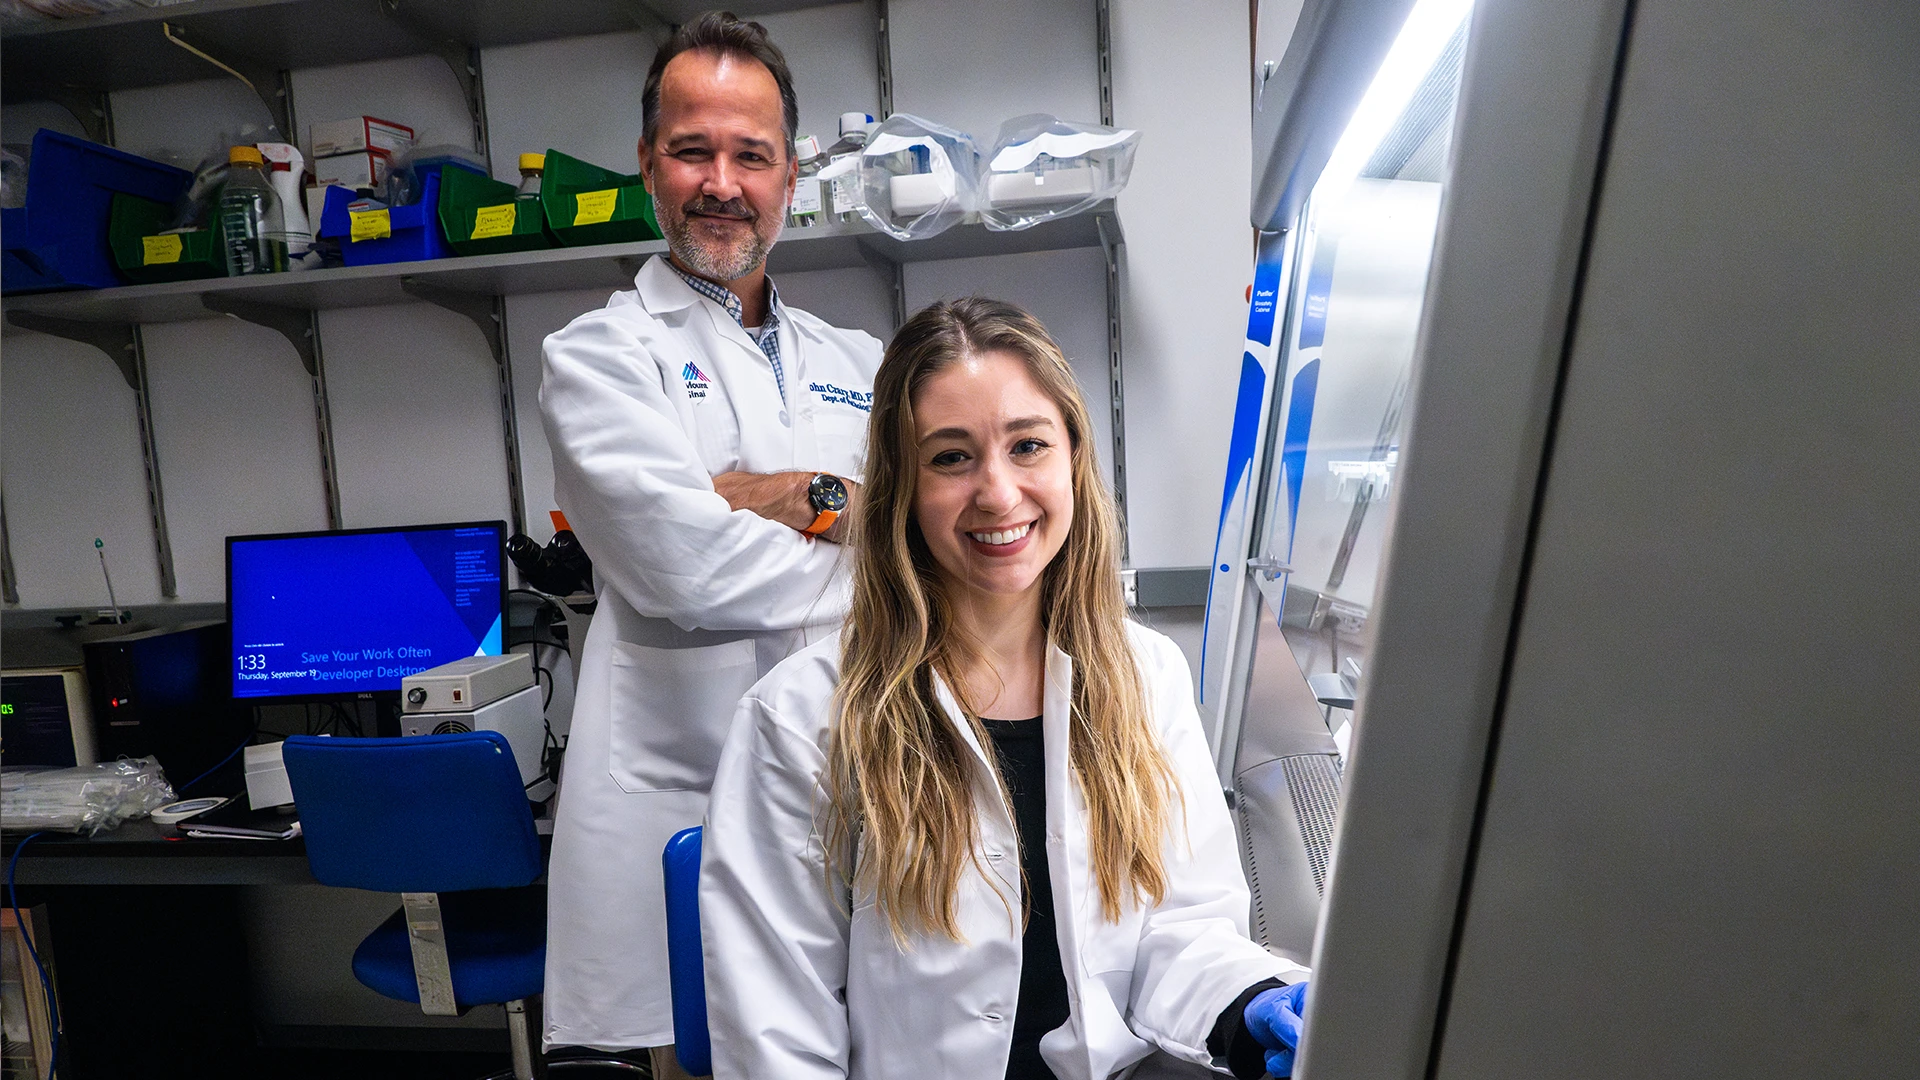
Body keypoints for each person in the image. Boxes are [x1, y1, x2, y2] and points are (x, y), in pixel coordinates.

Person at [701, 298, 1312, 1080]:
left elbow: (1181, 929)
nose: (997, 492)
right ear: (902, 488)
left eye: (1027, 445)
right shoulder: (802, 719)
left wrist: (1247, 1004)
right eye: (951, 457)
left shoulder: (1145, 675)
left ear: (1072, 461)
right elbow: (775, 1037)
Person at [538, 12, 882, 1072]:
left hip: (858, 784)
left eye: (751, 154)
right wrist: (862, 535)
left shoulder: (861, 361)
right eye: (693, 150)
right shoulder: (598, 359)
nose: (721, 181)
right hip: (685, 795)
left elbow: (923, 532)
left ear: (789, 175)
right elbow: (682, 565)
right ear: (649, 164)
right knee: (709, 1049)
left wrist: (776, 494)